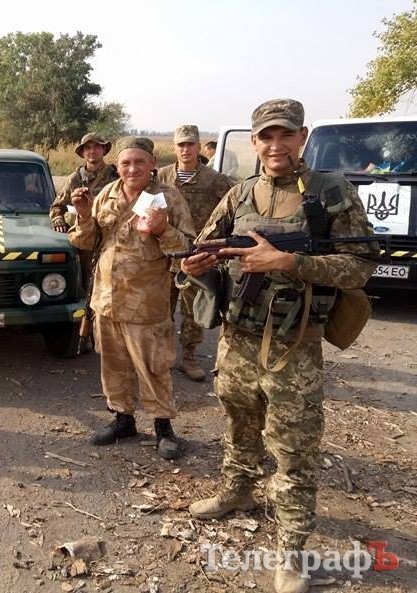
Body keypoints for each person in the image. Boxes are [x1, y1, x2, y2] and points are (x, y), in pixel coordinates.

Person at [180, 99, 375, 593]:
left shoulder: (331, 194)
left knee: (293, 450)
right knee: (238, 424)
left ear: (302, 136)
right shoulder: (240, 194)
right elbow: (204, 245)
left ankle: (291, 554)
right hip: (238, 341)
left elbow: (360, 265)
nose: (275, 145)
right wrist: (194, 267)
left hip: (295, 349)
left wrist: (291, 264)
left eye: (285, 135)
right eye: (266, 136)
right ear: (254, 142)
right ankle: (237, 491)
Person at [69, 136, 196, 459]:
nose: (132, 168)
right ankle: (122, 419)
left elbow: (187, 249)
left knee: (153, 366)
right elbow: (87, 242)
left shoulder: (167, 197)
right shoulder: (107, 195)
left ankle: (163, 428)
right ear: (117, 166)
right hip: (107, 299)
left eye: (140, 162)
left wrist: (162, 229)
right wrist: (84, 216)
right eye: (126, 163)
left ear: (153, 164)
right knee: (113, 365)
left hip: (147, 302)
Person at [158, 125, 233, 381]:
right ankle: (164, 355)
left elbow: (231, 211)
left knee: (193, 312)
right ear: (174, 147)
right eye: (181, 145)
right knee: (161, 310)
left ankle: (188, 357)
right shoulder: (161, 178)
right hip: (165, 255)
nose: (186, 149)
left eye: (190, 144)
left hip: (197, 256)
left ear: (199, 147)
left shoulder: (215, 180)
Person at [50, 133, 119, 294]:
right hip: (85, 241)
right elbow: (56, 206)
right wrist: (58, 220)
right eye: (88, 147)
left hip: (110, 238)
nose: (92, 151)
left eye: (97, 146)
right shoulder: (75, 179)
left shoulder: (115, 176)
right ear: (82, 152)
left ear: (103, 150)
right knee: (86, 286)